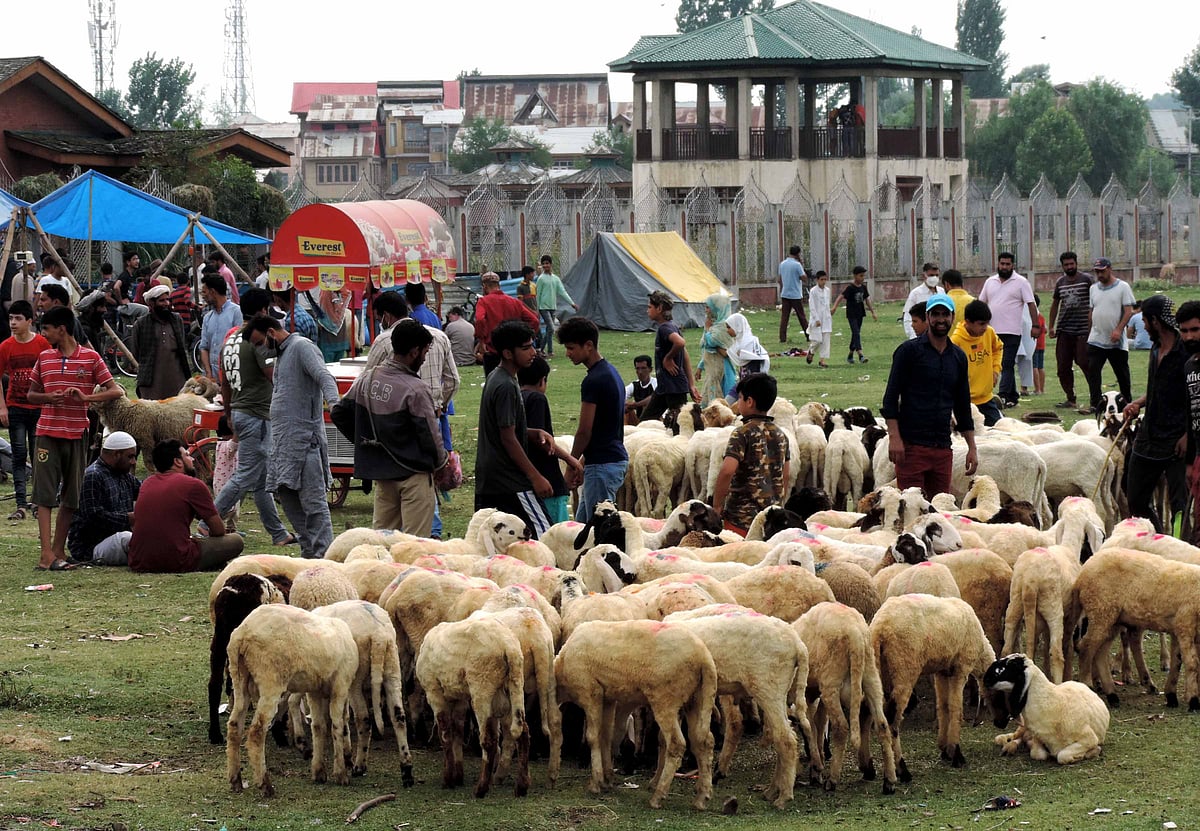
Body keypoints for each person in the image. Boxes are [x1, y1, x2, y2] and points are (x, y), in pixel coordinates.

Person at [27, 306, 123, 570]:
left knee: (71, 497)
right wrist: (48, 397)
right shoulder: (44, 357)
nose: (43, 334)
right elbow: (31, 395)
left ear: (62, 328)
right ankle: (46, 553)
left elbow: (115, 391)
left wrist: (86, 398)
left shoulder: (91, 358)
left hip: (77, 433)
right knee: (45, 495)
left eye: (46, 328)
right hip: (47, 433)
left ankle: (58, 551)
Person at [332, 319, 446, 535]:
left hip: (383, 475)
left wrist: (364, 441)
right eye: (424, 352)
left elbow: (339, 413)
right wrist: (442, 464)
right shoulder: (416, 389)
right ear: (414, 352)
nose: (424, 358)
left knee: (381, 543)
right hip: (414, 475)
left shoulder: (367, 378)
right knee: (414, 546)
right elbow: (431, 437)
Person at [366, 290, 459, 538]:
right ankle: (433, 530)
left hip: (393, 431)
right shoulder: (439, 336)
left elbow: (366, 381)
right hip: (428, 421)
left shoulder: (383, 342)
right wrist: (440, 405)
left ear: (385, 316)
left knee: (387, 529)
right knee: (424, 478)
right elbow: (452, 380)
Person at [247, 316, 339, 559]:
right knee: (288, 500)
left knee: (314, 507)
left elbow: (325, 377)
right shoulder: (281, 356)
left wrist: (336, 405)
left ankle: (324, 561)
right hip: (283, 446)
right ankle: (309, 554)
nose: (261, 348)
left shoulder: (302, 347)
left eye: (260, 342)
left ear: (271, 332)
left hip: (305, 443)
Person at [213, 288, 295, 547]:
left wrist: (228, 414)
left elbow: (223, 383)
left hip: (239, 411)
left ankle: (278, 533)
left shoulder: (230, 340)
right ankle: (208, 520)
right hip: (258, 413)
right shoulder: (257, 340)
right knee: (247, 475)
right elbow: (273, 376)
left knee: (261, 480)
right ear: (263, 311)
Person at [881, 294, 978, 498]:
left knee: (940, 509)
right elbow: (890, 398)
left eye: (945, 314)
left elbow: (962, 405)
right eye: (935, 314)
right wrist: (894, 438)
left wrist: (972, 447)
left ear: (952, 317)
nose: (940, 320)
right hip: (912, 446)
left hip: (942, 447)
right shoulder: (908, 352)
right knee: (912, 508)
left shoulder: (958, 357)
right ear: (928, 317)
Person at [474, 320, 560, 537]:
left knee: (499, 545)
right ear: (508, 353)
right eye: (525, 348)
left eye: (532, 345)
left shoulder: (499, 377)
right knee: (546, 538)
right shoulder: (505, 385)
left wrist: (532, 432)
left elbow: (504, 427)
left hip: (491, 479)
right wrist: (535, 476)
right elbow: (508, 438)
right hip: (509, 481)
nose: (533, 352)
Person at [1122, 295, 1189, 534]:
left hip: (1177, 440)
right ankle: (1157, 540)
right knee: (1136, 498)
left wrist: (1187, 436)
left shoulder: (1186, 352)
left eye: (1146, 321)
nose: (1144, 326)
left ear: (1155, 321)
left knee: (1179, 505)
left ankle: (1181, 550)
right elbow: (1157, 389)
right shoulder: (1155, 347)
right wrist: (1138, 403)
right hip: (1148, 434)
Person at [127, 439, 244, 572]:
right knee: (236, 541)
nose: (192, 460)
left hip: (139, 561)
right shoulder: (193, 485)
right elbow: (218, 530)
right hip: (177, 560)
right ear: (177, 461)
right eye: (188, 455)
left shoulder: (147, 483)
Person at [559, 316, 627, 523]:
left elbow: (584, 431)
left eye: (571, 348)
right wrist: (582, 462)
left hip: (602, 465)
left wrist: (571, 466)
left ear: (588, 345)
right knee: (581, 528)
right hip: (606, 459)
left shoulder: (593, 381)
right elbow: (604, 427)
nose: (567, 353)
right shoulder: (612, 373)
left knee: (599, 535)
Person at [711, 372, 790, 536]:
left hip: (741, 520)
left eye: (740, 398)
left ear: (749, 401)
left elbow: (727, 471)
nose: (737, 402)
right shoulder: (781, 434)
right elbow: (785, 476)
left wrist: (717, 506)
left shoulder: (742, 433)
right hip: (771, 522)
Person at [0, 300, 49, 520]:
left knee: (39, 454)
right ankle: (21, 503)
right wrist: (2, 407)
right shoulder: (5, 346)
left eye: (18, 318)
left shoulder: (42, 344)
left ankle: (38, 501)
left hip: (38, 407)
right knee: (19, 454)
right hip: (16, 407)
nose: (13, 323)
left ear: (30, 321)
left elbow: (49, 374)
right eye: (11, 318)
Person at [66, 430, 140, 564]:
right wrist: (128, 519)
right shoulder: (93, 476)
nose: (134, 462)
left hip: (116, 539)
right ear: (117, 454)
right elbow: (93, 516)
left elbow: (145, 492)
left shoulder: (124, 475)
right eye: (130, 457)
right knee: (127, 538)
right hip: (92, 547)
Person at [518, 356, 576, 523]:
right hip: (547, 480)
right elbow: (541, 440)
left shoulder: (516, 397)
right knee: (558, 532)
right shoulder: (537, 399)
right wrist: (570, 459)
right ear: (542, 380)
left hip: (526, 480)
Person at [978, 253, 1039, 408]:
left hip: (1012, 332)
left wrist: (1035, 325)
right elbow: (981, 303)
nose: (1004, 267)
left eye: (1007, 264)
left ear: (1013, 265)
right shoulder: (990, 282)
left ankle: (1003, 395)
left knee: (1006, 363)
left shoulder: (1021, 282)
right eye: (1002, 264)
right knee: (1000, 363)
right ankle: (1013, 396)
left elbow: (1031, 304)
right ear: (998, 264)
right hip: (991, 331)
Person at [1083, 257, 1135, 414]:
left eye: (1102, 271)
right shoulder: (1094, 289)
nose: (1100, 274)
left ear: (1110, 269)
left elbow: (1128, 311)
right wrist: (1089, 331)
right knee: (1093, 371)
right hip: (1096, 338)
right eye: (1097, 272)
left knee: (1122, 373)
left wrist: (1119, 329)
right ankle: (1096, 403)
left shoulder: (1122, 287)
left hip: (1115, 341)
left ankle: (1127, 402)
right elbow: (1092, 311)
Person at [641, 290, 700, 422]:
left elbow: (680, 343)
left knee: (679, 425)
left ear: (659, 308)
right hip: (664, 388)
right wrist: (691, 384)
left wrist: (667, 359)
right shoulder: (673, 326)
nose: (647, 311)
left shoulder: (665, 328)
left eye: (650, 307)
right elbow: (684, 354)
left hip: (674, 388)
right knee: (646, 422)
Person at [1047, 252, 1094, 409]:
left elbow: (1095, 300)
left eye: (1071, 264)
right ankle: (1070, 398)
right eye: (1066, 265)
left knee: (1084, 362)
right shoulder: (1060, 282)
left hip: (1083, 329)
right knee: (1062, 366)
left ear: (1076, 263)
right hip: (1064, 329)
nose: (1069, 267)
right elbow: (1055, 304)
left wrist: (1092, 324)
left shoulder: (1086, 280)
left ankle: (1096, 396)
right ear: (1062, 266)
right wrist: (1051, 326)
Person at [950, 299, 1005, 426]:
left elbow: (998, 348)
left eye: (987, 323)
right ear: (968, 322)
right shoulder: (956, 342)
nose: (985, 328)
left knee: (1000, 432)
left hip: (986, 398)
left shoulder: (989, 332)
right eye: (981, 324)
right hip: (965, 402)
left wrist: (995, 370)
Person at [474, 271, 540, 375]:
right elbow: (534, 321)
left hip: (493, 350)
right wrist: (526, 339)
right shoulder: (514, 301)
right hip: (514, 351)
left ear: (484, 286)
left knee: (493, 382)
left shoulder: (483, 302)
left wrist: (482, 340)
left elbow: (480, 320)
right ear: (499, 285)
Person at [131, 284, 190, 400]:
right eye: (161, 301)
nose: (166, 304)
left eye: (167, 300)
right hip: (151, 378)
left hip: (176, 376)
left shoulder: (177, 320)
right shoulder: (141, 324)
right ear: (152, 303)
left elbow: (182, 345)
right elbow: (136, 351)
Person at [1176, 301, 1200, 544]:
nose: (1189, 336)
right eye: (1184, 331)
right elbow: (1192, 415)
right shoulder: (1189, 366)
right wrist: (1190, 463)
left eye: (1195, 329)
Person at [198, 274, 241, 382]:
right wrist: (208, 373)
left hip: (231, 376)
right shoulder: (208, 317)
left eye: (204, 292)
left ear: (212, 292)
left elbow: (240, 344)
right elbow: (204, 347)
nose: (203, 296)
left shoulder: (236, 312)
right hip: (213, 377)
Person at [831, 266, 877, 364]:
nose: (862, 278)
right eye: (861, 276)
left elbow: (867, 299)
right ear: (855, 276)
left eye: (863, 276)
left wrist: (872, 312)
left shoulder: (863, 287)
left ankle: (850, 354)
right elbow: (841, 296)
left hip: (860, 313)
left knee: (856, 333)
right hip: (851, 314)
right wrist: (834, 307)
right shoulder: (850, 288)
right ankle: (860, 354)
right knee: (856, 332)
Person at [695, 293, 736, 406]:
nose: (706, 310)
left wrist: (708, 329)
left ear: (717, 308)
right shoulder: (713, 325)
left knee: (724, 402)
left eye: (708, 307)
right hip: (712, 370)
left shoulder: (725, 326)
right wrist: (700, 367)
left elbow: (712, 341)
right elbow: (708, 349)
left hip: (723, 370)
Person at [535, 255, 578, 357]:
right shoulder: (541, 279)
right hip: (543, 307)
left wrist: (572, 303)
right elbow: (538, 294)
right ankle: (544, 349)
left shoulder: (555, 279)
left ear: (551, 264)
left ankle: (546, 350)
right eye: (543, 263)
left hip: (552, 307)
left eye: (547, 263)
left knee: (549, 330)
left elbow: (562, 292)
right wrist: (537, 309)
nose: (545, 265)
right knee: (551, 327)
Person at [902, 263, 944, 340]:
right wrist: (913, 338)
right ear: (923, 276)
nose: (934, 278)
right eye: (931, 275)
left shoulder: (942, 292)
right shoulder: (916, 294)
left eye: (936, 275)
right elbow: (908, 317)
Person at [777, 245, 808, 343]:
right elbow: (804, 278)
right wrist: (801, 264)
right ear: (798, 254)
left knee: (784, 317)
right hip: (795, 294)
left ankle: (782, 338)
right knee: (801, 316)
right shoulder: (797, 265)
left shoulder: (782, 264)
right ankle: (808, 335)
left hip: (785, 293)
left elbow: (779, 279)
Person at [726, 312, 770, 377]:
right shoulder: (738, 342)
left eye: (729, 327)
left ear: (738, 327)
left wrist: (742, 353)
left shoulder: (749, 342)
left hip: (754, 377)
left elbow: (756, 357)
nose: (727, 330)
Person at [806, 270, 832, 367]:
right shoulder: (813, 291)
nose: (824, 281)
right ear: (817, 280)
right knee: (817, 340)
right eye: (822, 279)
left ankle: (822, 360)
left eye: (825, 279)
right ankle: (811, 351)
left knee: (825, 340)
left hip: (826, 318)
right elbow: (812, 306)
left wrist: (829, 314)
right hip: (816, 319)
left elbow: (827, 304)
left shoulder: (827, 290)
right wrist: (816, 319)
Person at [624, 354, 657, 425]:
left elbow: (654, 398)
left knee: (646, 406)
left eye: (643, 368)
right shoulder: (634, 385)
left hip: (656, 421)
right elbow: (620, 395)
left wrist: (635, 405)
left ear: (650, 369)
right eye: (637, 368)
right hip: (639, 421)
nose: (640, 372)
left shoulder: (656, 383)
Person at [1032, 295, 1047, 395]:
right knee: (1041, 367)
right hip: (1042, 344)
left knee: (1034, 367)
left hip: (1034, 345)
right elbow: (1045, 329)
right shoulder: (1041, 316)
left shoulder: (1033, 317)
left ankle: (1037, 389)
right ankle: (1042, 389)